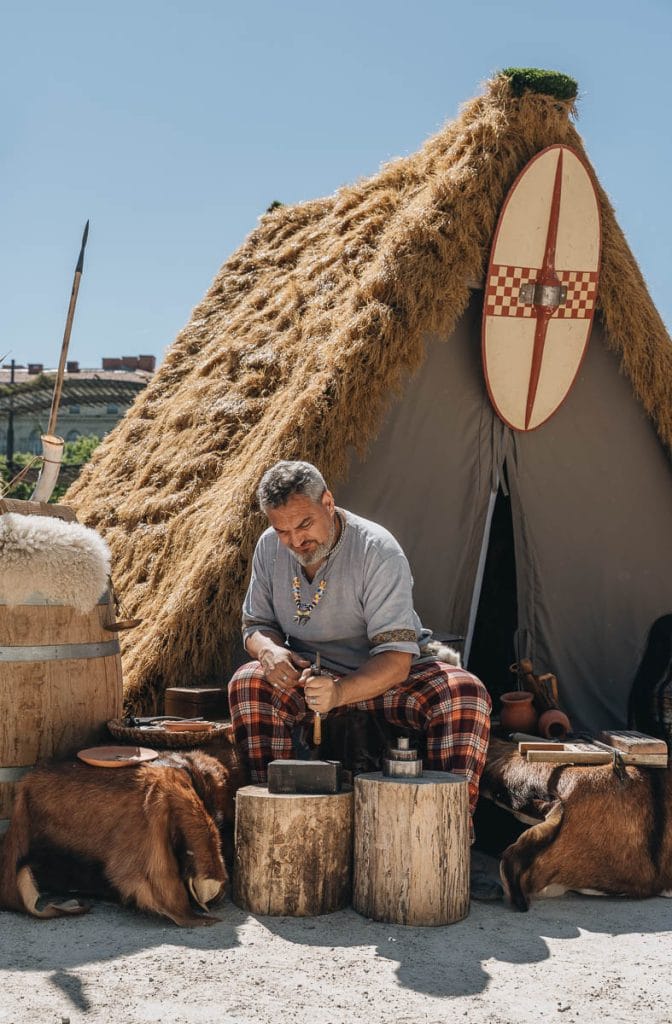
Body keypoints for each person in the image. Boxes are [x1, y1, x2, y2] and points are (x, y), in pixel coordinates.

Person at [228, 460, 493, 831]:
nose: (295, 541)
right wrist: (269, 651)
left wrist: (339, 693)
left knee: (465, 694)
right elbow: (255, 626)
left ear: (328, 502)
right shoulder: (269, 548)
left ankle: (448, 830)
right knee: (248, 682)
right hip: (310, 677)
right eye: (282, 530)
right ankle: (270, 820)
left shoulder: (377, 550)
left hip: (387, 677)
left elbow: (397, 660)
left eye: (304, 524)